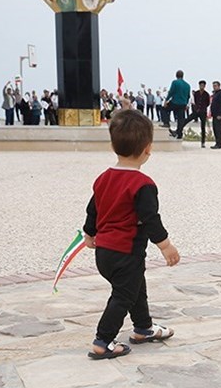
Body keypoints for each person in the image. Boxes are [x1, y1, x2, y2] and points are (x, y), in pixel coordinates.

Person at [82, 110, 179, 360]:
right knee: (123, 296)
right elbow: (150, 219)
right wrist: (166, 245)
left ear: (113, 145)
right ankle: (103, 340)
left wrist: (89, 233)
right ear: (148, 149)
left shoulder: (103, 178)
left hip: (105, 253)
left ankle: (143, 328)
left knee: (136, 287)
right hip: (126, 252)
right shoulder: (143, 184)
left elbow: (93, 209)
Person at [175, 80, 210, 146]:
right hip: (196, 111)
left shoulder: (206, 94)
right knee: (186, 120)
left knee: (203, 127)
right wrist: (195, 109)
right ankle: (177, 132)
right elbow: (193, 101)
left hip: (203, 112)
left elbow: (208, 103)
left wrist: (203, 108)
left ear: (205, 86)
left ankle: (203, 142)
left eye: (203, 85)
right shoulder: (196, 93)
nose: (202, 87)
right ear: (199, 86)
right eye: (200, 85)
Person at [164, 70, 190, 139]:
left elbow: (171, 92)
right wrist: (186, 104)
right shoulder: (187, 85)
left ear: (176, 75)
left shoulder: (175, 82)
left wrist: (166, 100)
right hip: (183, 104)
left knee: (164, 109)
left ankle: (166, 123)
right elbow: (188, 96)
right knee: (180, 119)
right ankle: (179, 134)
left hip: (175, 102)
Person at [210, 81, 221, 149]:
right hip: (214, 115)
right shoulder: (215, 94)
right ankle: (217, 142)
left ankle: (219, 143)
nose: (214, 87)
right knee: (215, 129)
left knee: (218, 130)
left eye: (215, 86)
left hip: (219, 115)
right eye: (213, 86)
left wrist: (220, 114)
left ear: (219, 86)